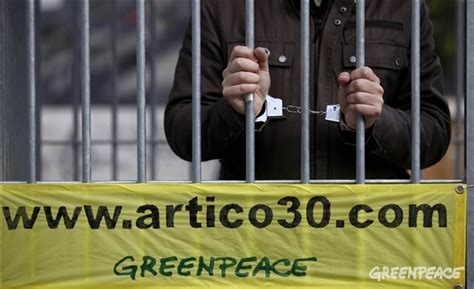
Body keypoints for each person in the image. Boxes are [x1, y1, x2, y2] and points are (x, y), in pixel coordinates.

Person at [165, 0, 451, 180]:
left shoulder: (401, 6)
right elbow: (182, 131)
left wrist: (376, 121)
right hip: (255, 237)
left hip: (370, 235)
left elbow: (434, 133)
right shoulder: (223, 7)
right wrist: (236, 111)